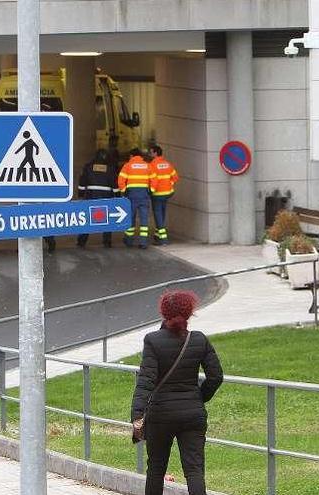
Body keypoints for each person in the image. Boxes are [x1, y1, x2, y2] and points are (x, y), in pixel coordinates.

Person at [131, 290, 223, 495]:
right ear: (190, 312)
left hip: (160, 415)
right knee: (194, 470)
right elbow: (216, 376)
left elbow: (146, 381)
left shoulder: (153, 340)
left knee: (155, 469)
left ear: (163, 312)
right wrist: (199, 397)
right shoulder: (199, 340)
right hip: (192, 414)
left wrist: (137, 415)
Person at [76, 149, 118, 248]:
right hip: (106, 196)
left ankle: (82, 241)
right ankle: (107, 242)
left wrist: (81, 194)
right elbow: (114, 184)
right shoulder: (110, 168)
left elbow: (82, 182)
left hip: (91, 195)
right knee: (107, 219)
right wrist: (118, 196)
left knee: (87, 219)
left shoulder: (88, 166)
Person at [118, 148, 152, 249]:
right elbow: (154, 179)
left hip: (131, 195)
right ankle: (143, 242)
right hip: (144, 195)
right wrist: (151, 190)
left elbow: (120, 180)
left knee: (131, 218)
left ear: (132, 156)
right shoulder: (148, 166)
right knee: (144, 219)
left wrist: (124, 191)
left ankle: (129, 240)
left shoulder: (127, 166)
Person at [148, 145, 179, 246]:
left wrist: (150, 191)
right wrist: (169, 185)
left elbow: (151, 180)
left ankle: (163, 238)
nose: (150, 154)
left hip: (157, 194)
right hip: (167, 193)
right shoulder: (167, 164)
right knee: (162, 213)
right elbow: (175, 177)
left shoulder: (152, 165)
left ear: (156, 153)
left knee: (157, 214)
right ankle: (157, 235)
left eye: (151, 152)